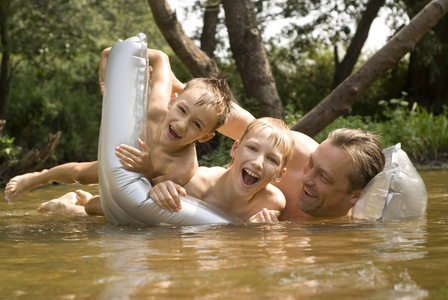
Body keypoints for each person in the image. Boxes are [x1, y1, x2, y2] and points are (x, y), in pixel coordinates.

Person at [6, 47, 237, 216]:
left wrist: (147, 169)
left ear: (205, 137)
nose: (181, 124)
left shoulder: (184, 167)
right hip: (122, 151)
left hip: (138, 182)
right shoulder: (158, 106)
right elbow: (159, 58)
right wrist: (107, 55)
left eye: (196, 125)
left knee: (93, 208)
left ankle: (75, 204)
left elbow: (148, 197)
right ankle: (38, 177)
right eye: (182, 110)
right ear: (172, 101)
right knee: (80, 173)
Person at [250, 128, 386, 223]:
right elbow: (231, 115)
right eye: (311, 162)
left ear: (356, 195)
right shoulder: (292, 149)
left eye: (323, 177)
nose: (305, 178)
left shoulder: (340, 239)